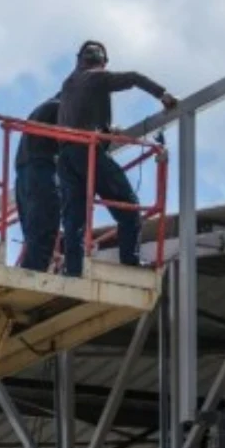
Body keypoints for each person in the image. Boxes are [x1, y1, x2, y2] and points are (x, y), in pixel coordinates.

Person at [56, 40, 178, 274]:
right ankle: (130, 263)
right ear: (103, 63)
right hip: (87, 152)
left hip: (66, 157)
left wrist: (106, 130)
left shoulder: (69, 84)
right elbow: (133, 78)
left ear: (79, 61)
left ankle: (73, 271)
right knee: (129, 208)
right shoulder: (97, 77)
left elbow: (81, 113)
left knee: (74, 219)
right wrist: (163, 94)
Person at [13, 94, 62, 272]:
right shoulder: (61, 108)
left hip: (24, 174)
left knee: (33, 232)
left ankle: (29, 270)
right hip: (42, 171)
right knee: (44, 229)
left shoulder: (42, 108)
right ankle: (32, 275)